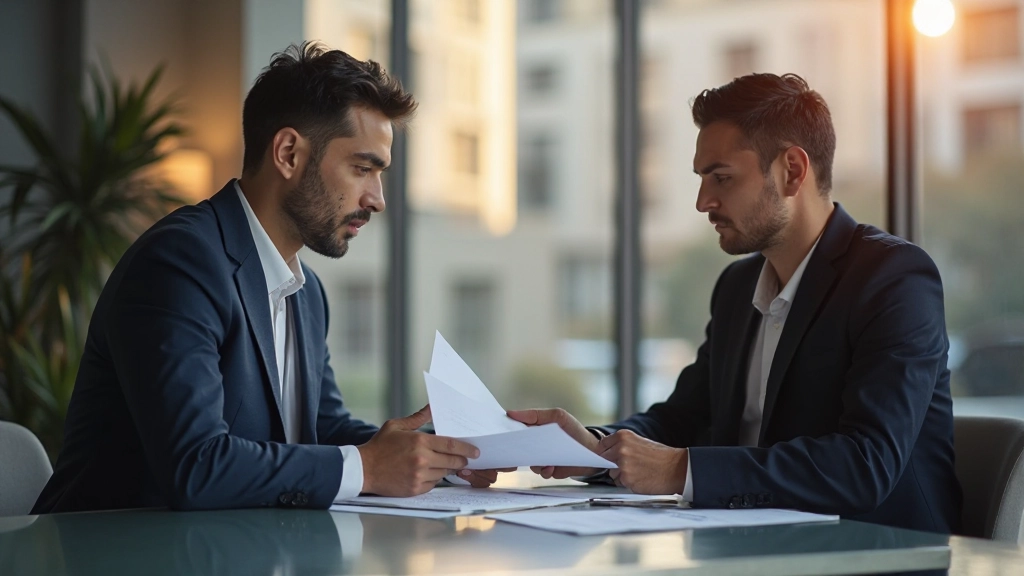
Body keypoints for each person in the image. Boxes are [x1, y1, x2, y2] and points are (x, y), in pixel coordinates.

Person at [32, 42, 496, 514]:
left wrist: (450, 453)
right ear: (289, 153)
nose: (376, 198)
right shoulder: (179, 262)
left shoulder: (306, 292)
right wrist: (369, 468)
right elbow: (195, 466)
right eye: (361, 168)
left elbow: (323, 431)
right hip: (107, 552)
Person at [509, 73, 962, 534]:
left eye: (722, 177)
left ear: (792, 170)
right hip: (750, 546)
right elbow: (685, 418)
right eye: (703, 179)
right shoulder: (737, 286)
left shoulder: (894, 278)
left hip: (879, 554)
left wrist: (681, 470)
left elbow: (865, 465)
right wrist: (590, 448)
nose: (705, 201)